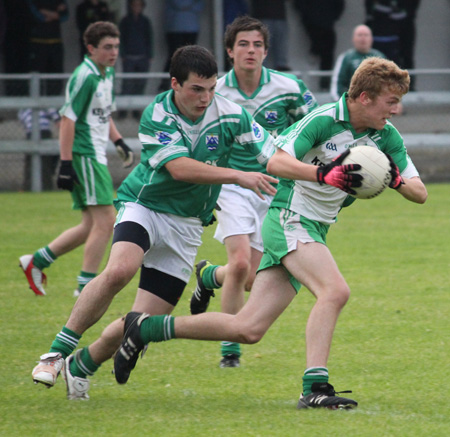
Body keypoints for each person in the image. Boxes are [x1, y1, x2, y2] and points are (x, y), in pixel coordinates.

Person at [114, 57, 428, 410]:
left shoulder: (386, 137)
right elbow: (277, 162)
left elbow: (420, 193)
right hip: (289, 218)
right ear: (366, 97)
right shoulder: (323, 120)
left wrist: (394, 178)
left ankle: (146, 328)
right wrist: (325, 174)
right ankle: (315, 387)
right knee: (334, 290)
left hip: (316, 229)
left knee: (248, 329)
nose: (397, 110)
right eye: (391, 101)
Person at [30, 45, 278, 399]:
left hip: (189, 225)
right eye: (196, 89)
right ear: (175, 83)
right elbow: (178, 169)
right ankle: (56, 353)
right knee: (120, 270)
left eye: (211, 88)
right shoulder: (157, 113)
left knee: (138, 322)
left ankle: (82, 364)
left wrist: (317, 172)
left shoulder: (231, 114)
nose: (205, 97)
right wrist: (239, 176)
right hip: (145, 206)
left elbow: (272, 152)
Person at [189, 15, 318, 367]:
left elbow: (315, 124)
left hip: (275, 186)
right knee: (241, 262)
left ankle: (208, 276)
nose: (251, 50)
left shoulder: (289, 88)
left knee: (250, 279)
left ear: (266, 51)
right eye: (243, 44)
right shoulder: (215, 91)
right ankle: (230, 349)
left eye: (257, 44)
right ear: (229, 51)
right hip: (232, 185)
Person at [19, 21, 134, 298]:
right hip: (85, 155)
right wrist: (66, 162)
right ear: (91, 48)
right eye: (107, 47)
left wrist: (118, 141)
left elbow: (103, 115)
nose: (113, 52)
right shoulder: (85, 76)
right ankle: (85, 287)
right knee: (107, 221)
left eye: (116, 46)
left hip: (95, 154)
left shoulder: (106, 75)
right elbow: (68, 119)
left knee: (90, 225)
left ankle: (37, 261)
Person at [365, 0, 421, 90]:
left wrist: (402, 12)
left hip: (404, 27)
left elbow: (411, 7)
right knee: (375, 59)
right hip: (380, 28)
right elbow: (371, 8)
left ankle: (408, 88)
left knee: (405, 58)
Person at [293, 0, 345, 90]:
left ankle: (324, 85)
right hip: (311, 25)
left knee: (327, 55)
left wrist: (332, 17)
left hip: (327, 24)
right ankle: (306, 85)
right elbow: (298, 4)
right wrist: (307, 17)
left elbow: (339, 4)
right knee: (314, 51)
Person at [158, 0, 205, 92]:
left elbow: (200, 6)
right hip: (176, 27)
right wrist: (189, 7)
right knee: (176, 57)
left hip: (186, 28)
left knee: (188, 58)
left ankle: (187, 84)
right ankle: (167, 85)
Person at [330, 24, 386, 101]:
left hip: (375, 102)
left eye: (366, 35)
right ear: (353, 39)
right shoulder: (346, 58)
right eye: (359, 35)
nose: (363, 38)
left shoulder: (380, 57)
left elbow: (388, 82)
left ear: (371, 39)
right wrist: (342, 103)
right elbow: (337, 83)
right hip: (352, 102)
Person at [119, 0, 154, 120]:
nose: (136, 8)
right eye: (134, 5)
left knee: (140, 84)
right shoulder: (125, 21)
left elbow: (149, 39)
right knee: (127, 84)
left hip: (142, 57)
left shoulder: (145, 21)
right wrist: (122, 54)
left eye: (139, 5)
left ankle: (136, 110)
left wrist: (150, 55)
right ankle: (122, 110)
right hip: (129, 56)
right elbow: (121, 39)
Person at [26, 0, 69, 96]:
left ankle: (52, 104)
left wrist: (45, 12)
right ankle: (38, 104)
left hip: (55, 41)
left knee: (56, 74)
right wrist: (54, 14)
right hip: (38, 41)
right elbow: (35, 14)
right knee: (37, 73)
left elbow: (64, 16)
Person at [250, 0, 291, 71]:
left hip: (278, 14)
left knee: (280, 42)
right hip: (263, 15)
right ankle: (262, 65)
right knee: (262, 42)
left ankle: (280, 64)